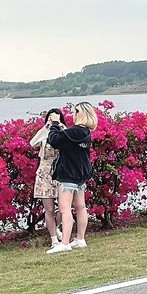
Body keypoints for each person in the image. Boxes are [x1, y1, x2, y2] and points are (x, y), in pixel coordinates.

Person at [45, 102, 96, 254]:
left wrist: (54, 124)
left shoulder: (74, 131)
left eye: (76, 111)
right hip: (80, 174)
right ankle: (80, 239)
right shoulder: (85, 132)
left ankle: (65, 242)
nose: (74, 114)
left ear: (81, 114)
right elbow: (67, 140)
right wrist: (60, 126)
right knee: (80, 207)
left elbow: (54, 140)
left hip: (68, 174)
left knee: (64, 208)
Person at [29, 109, 65, 247]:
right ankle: (54, 239)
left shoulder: (62, 132)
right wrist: (47, 127)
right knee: (49, 209)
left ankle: (56, 227)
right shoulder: (45, 133)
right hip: (45, 172)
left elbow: (69, 141)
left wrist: (59, 125)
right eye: (50, 117)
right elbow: (33, 143)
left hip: (60, 172)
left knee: (63, 207)